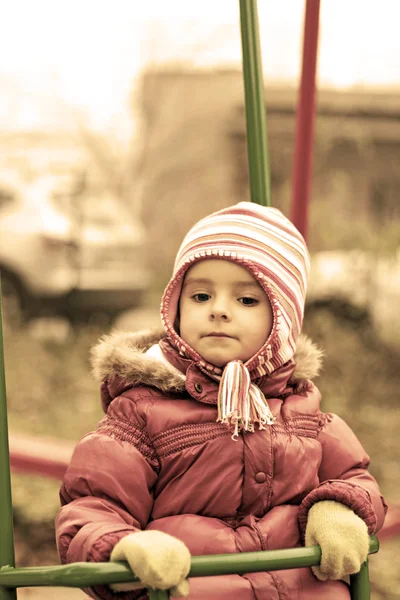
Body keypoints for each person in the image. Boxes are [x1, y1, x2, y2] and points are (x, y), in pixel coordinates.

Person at [56, 202, 387, 600]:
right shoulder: (142, 413)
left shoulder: (305, 414)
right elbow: (94, 503)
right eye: (199, 295)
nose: (218, 311)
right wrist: (122, 549)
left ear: (282, 322)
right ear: (175, 307)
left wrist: (337, 507)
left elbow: (356, 478)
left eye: (246, 300)